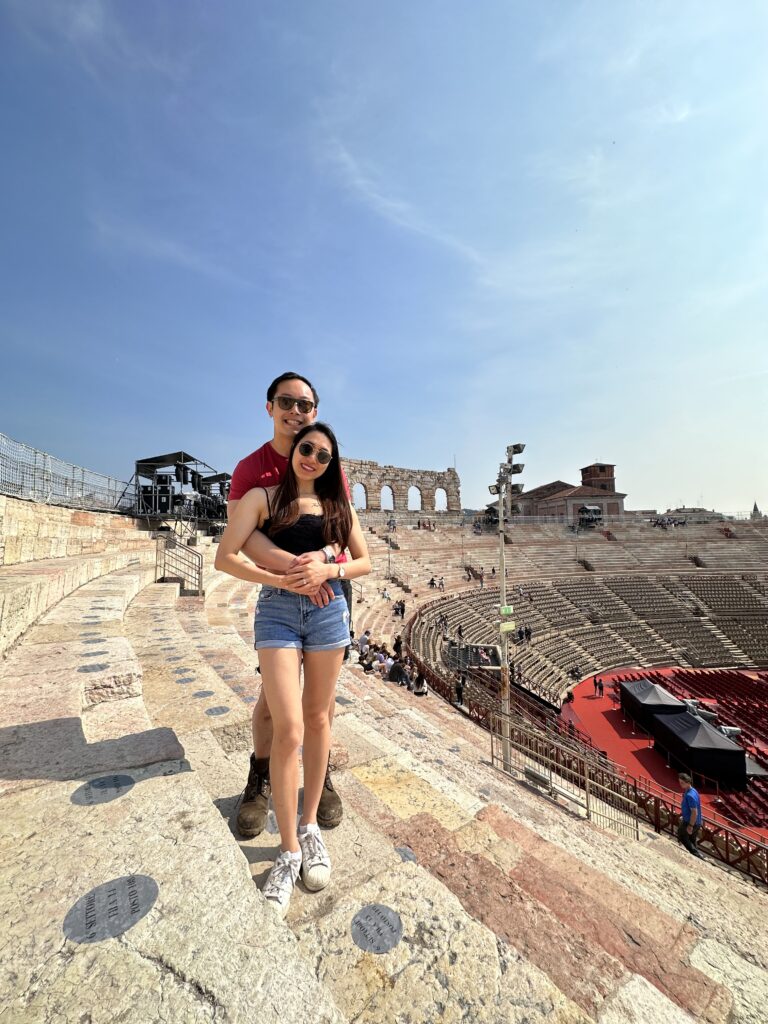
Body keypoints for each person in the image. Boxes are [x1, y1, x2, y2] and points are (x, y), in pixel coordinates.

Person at [215, 422, 371, 914]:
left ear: (332, 464)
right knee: (288, 727)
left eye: (324, 455)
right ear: (293, 451)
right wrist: (281, 579)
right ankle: (288, 850)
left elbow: (364, 561)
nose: (313, 459)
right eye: (307, 449)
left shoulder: (338, 507)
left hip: (328, 611)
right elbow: (225, 556)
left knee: (320, 718)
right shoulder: (263, 497)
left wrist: (330, 567)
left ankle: (308, 829)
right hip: (279, 612)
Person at [227, 373, 351, 838]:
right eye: (287, 402)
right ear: (269, 407)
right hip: (285, 590)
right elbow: (244, 536)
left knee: (321, 706)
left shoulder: (324, 462)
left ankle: (320, 777)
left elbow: (340, 530)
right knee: (271, 704)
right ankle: (259, 778)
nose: (295, 411)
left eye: (305, 404)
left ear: (314, 412)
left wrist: (321, 565)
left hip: (327, 588)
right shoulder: (250, 469)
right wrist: (296, 573)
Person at [677, 773, 703, 858]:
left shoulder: (690, 795)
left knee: (682, 835)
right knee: (692, 839)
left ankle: (696, 854)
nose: (680, 785)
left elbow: (694, 812)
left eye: (682, 783)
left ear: (688, 782)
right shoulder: (693, 791)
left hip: (690, 821)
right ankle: (697, 855)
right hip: (697, 821)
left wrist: (690, 825)